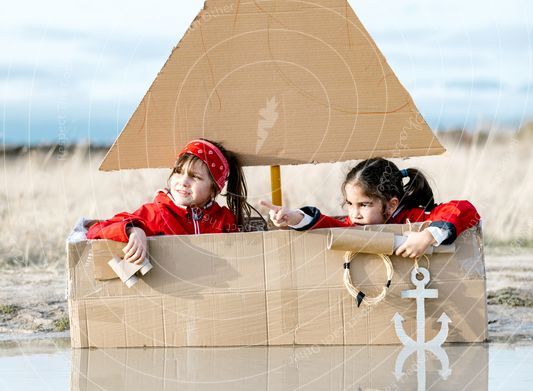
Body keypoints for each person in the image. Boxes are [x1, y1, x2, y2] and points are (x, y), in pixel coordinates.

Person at [261, 157, 480, 259]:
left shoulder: (412, 219)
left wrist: (427, 236)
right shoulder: (354, 224)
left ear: (391, 204)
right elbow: (330, 226)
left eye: (364, 205)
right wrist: (295, 217)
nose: (354, 213)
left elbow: (465, 209)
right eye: (349, 204)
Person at [87, 139, 252, 263]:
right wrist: (133, 230)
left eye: (195, 176)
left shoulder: (224, 219)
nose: (183, 181)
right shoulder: (156, 214)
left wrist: (278, 223)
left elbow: (251, 250)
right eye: (178, 172)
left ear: (213, 189)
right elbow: (94, 230)